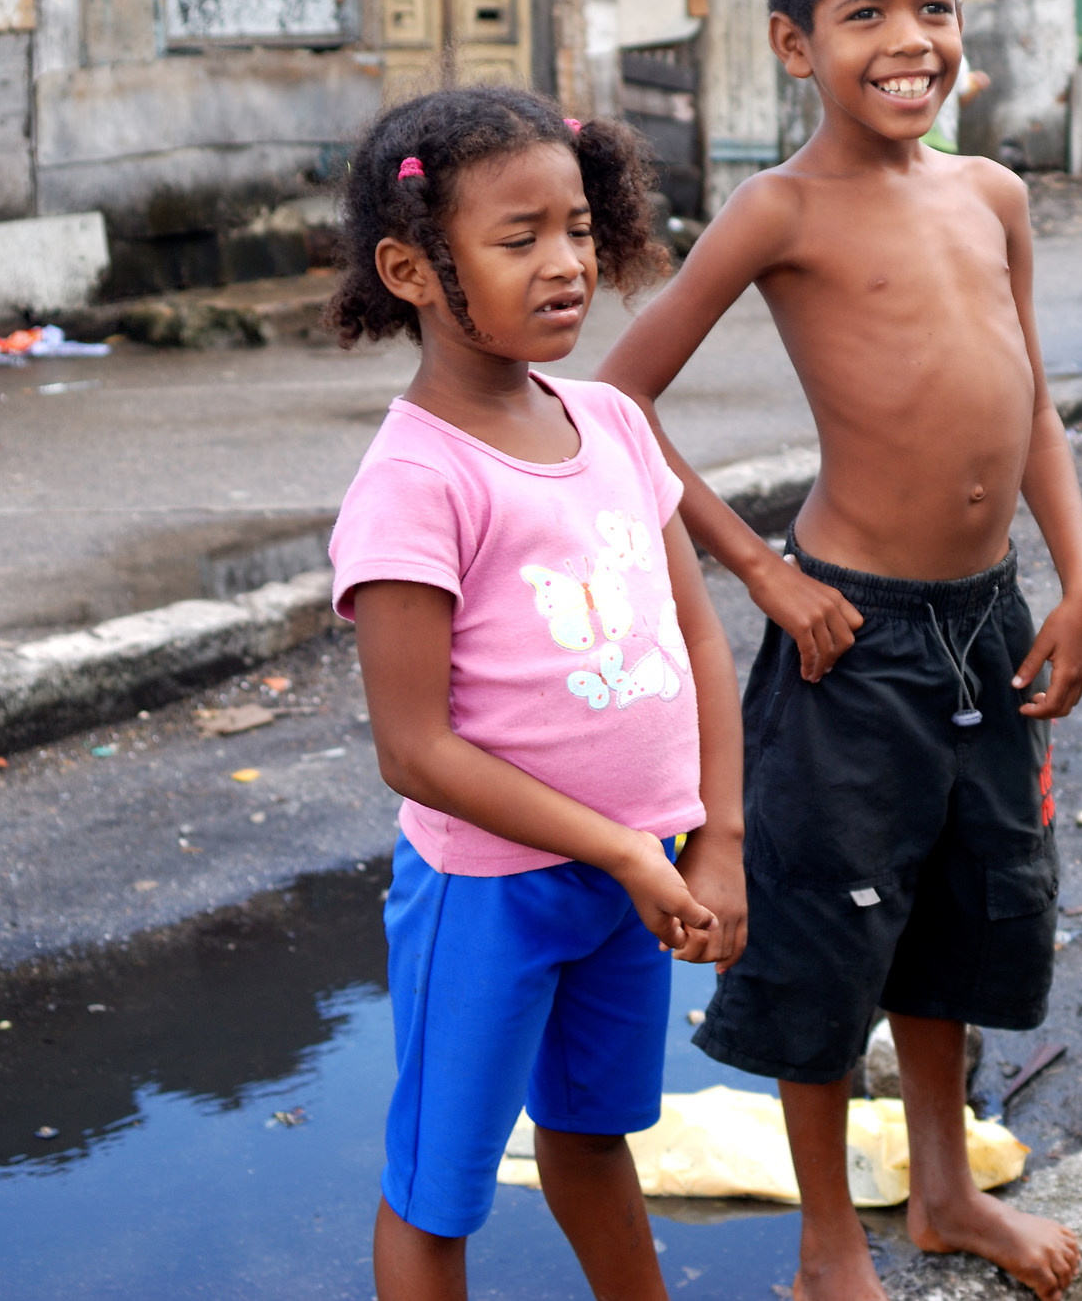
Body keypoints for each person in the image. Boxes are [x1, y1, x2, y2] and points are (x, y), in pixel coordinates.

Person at [595, 0, 1082, 1301]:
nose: (910, 40)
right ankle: (830, 1249)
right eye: (865, 11)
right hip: (850, 638)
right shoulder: (778, 212)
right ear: (794, 43)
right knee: (826, 930)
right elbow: (617, 408)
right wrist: (758, 567)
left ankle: (944, 1189)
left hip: (989, 623)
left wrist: (1077, 580)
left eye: (933, 6)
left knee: (967, 908)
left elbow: (1038, 406)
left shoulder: (992, 193)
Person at [326, 86, 750, 1301]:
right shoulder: (415, 481)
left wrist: (714, 838)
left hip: (638, 874)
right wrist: (624, 850)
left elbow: (697, 641)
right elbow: (414, 751)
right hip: (491, 893)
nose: (565, 263)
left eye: (575, 227)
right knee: (436, 1189)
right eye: (519, 241)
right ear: (412, 268)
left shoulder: (612, 423)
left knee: (589, 1134)